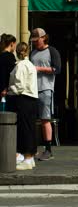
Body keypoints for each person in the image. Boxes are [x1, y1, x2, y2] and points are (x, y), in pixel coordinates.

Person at [30, 28, 61, 161]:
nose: (36, 43)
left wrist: (39, 69)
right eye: (34, 41)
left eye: (37, 40)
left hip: (46, 89)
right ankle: (32, 148)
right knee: (31, 119)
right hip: (31, 89)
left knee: (45, 119)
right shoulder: (33, 53)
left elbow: (56, 69)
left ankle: (48, 149)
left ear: (44, 38)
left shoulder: (52, 51)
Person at [8, 42, 38, 170]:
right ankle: (30, 157)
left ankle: (26, 157)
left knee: (24, 129)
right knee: (30, 128)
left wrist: (10, 90)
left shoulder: (20, 66)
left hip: (23, 99)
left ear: (17, 52)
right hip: (32, 99)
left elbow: (19, 85)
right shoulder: (31, 65)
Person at [0, 34, 17, 107]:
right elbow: (10, 73)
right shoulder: (10, 56)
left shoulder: (1, 55)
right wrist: (5, 88)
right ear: (12, 43)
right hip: (5, 90)